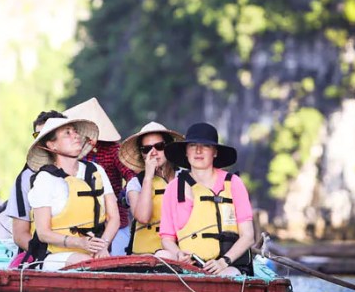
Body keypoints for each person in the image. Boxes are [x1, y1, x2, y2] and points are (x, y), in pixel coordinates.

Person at [156, 122, 255, 276]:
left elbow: (248, 236)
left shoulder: (233, 183)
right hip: (189, 264)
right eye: (193, 145)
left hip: (228, 264)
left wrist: (223, 262)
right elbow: (167, 238)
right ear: (186, 152)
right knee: (161, 256)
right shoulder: (173, 188)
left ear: (215, 152)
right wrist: (179, 255)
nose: (198, 150)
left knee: (226, 276)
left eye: (205, 146)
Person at [26, 117, 120, 270]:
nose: (75, 136)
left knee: (103, 265)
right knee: (88, 264)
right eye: (67, 133)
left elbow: (114, 217)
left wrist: (103, 246)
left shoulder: (96, 170)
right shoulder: (45, 179)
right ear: (52, 145)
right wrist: (79, 243)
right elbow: (43, 233)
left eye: (75, 132)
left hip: (96, 254)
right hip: (53, 255)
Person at [64, 98, 135, 255]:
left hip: (113, 221)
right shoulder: (68, 155)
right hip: (77, 225)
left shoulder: (114, 150)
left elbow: (131, 175)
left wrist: (123, 196)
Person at [5, 110, 66, 252]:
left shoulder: (87, 170)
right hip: (44, 256)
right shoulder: (26, 178)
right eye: (37, 135)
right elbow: (20, 235)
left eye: (48, 135)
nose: (42, 141)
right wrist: (48, 257)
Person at [118, 122, 184, 255]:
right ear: (142, 154)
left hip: (182, 251)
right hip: (145, 254)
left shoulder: (185, 177)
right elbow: (142, 217)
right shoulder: (136, 183)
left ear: (169, 147)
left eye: (159, 146)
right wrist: (148, 177)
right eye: (146, 149)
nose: (153, 153)